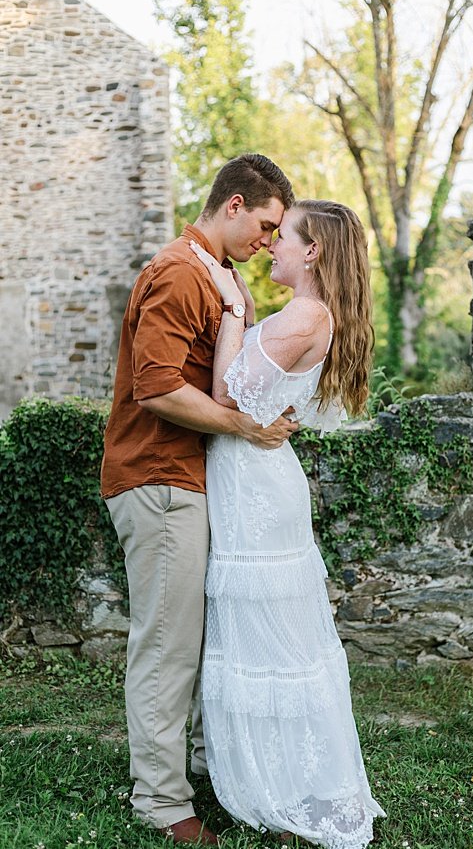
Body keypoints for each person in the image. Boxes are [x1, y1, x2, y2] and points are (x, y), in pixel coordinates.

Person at [101, 153, 299, 845]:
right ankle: (159, 800)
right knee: (167, 645)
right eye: (268, 226)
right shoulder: (181, 271)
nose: (270, 242)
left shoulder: (223, 277)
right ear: (235, 204)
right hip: (158, 479)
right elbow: (156, 388)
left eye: (279, 235)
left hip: (190, 482)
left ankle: (182, 773)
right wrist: (248, 425)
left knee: (192, 641)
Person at [192, 199, 384, 846]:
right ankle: (272, 769)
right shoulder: (313, 315)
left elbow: (225, 397)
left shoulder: (303, 314)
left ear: (313, 252)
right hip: (259, 475)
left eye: (285, 236)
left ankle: (275, 782)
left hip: (253, 484)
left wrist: (235, 311)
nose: (271, 244)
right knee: (273, 638)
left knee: (266, 640)